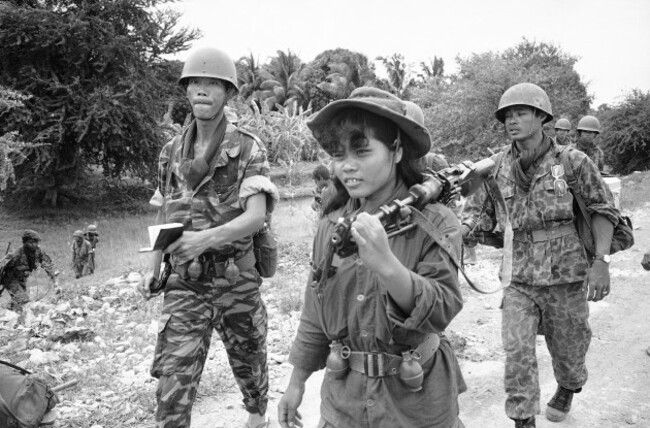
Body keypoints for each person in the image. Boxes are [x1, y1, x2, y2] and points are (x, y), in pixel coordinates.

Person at [278, 87, 467, 428]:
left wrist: (387, 266)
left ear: (396, 151)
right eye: (338, 155)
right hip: (344, 406)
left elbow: (443, 307)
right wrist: (296, 382)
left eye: (362, 152)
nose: (347, 166)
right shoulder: (332, 224)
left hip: (416, 406)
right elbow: (314, 310)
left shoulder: (436, 221)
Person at [460, 83, 618, 428]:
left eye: (520, 113)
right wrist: (458, 228)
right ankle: (522, 419)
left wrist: (601, 262)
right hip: (518, 276)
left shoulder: (574, 161)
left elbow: (603, 210)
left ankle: (568, 385)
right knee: (517, 351)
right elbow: (474, 214)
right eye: (507, 116)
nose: (512, 121)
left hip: (567, 273)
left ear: (541, 117)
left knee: (569, 349)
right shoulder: (496, 166)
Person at [137, 46, 278, 428]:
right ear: (186, 90)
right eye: (195, 83)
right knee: (173, 383)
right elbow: (164, 213)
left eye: (212, 84)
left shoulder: (248, 147)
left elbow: (256, 216)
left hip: (236, 278)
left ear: (228, 93)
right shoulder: (170, 152)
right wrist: (152, 269)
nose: (202, 90)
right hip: (185, 282)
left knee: (251, 366)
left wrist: (205, 239)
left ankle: (257, 418)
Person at [0, 230, 58, 313]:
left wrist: (54, 279)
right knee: (23, 298)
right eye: (31, 242)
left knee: (19, 301)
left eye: (36, 242)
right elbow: (1, 266)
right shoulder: (16, 254)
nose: (34, 244)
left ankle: (8, 311)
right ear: (25, 242)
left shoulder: (39, 251)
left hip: (22, 279)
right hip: (10, 279)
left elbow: (48, 265)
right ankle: (10, 312)